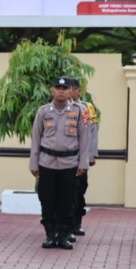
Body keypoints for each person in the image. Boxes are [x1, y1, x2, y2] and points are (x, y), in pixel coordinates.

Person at [29, 77, 90, 250]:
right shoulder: (43, 111)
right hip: (46, 163)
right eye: (58, 87)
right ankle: (50, 234)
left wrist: (83, 163)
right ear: (52, 90)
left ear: (70, 91)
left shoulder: (79, 111)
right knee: (48, 199)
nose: (61, 91)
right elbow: (36, 138)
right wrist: (34, 163)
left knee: (67, 200)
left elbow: (85, 139)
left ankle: (64, 235)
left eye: (64, 88)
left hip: (69, 163)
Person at [68, 78, 98, 237]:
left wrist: (91, 155)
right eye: (68, 88)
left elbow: (92, 132)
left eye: (73, 88)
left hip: (81, 158)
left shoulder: (87, 108)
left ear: (78, 90)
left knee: (79, 191)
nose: (70, 92)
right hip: (64, 159)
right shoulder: (53, 107)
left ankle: (76, 223)